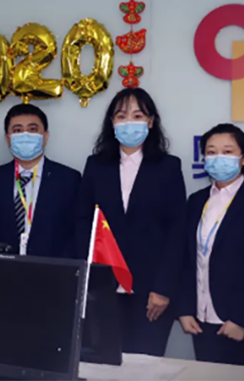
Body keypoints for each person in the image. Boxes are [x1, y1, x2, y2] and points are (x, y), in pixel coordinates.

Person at [76, 87, 187, 357]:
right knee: (105, 365)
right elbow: (83, 225)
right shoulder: (96, 166)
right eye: (121, 116)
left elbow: (177, 233)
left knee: (146, 366)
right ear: (112, 123)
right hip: (104, 289)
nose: (129, 123)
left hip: (151, 292)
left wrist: (162, 289)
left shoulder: (168, 167)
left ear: (150, 122)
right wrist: (88, 282)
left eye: (137, 116)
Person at [177, 123, 244, 367]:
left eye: (228, 151)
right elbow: (187, 259)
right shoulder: (196, 201)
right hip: (200, 319)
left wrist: (242, 319)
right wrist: (185, 309)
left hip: (239, 323)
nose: (218, 158)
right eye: (211, 152)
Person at [0, 103, 80, 258]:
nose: (25, 135)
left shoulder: (69, 180)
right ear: (8, 138)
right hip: (2, 269)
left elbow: (75, 233)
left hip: (53, 268)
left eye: (32, 129)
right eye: (17, 130)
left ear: (45, 136)